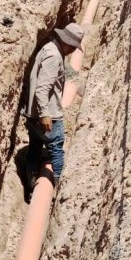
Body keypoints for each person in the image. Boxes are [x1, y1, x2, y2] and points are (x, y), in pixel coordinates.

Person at [22, 22, 85, 197]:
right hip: (47, 114)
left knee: (35, 148)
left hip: (33, 113)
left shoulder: (49, 48)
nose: (73, 51)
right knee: (56, 149)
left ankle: (30, 187)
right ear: (66, 42)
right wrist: (45, 114)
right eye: (73, 47)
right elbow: (42, 88)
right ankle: (57, 191)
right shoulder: (54, 57)